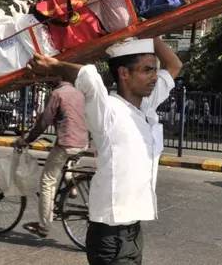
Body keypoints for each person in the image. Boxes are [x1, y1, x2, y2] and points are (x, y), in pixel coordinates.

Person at [26, 37, 182, 265]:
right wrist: (54, 65)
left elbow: (175, 65)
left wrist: (151, 35)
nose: (154, 76)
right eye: (147, 70)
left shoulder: (145, 109)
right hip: (110, 236)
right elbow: (89, 77)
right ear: (124, 74)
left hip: (133, 233)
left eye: (154, 70)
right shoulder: (107, 111)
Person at [14, 80, 89, 238]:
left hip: (67, 144)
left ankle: (44, 226)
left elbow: (43, 122)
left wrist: (26, 140)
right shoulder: (79, 93)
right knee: (65, 165)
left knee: (47, 181)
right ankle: (71, 186)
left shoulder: (57, 94)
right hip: (83, 144)